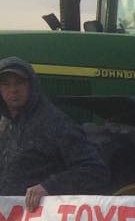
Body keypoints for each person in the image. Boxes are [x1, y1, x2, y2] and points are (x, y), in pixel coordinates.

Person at [0, 57, 111, 208]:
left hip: (43, 219)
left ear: (31, 85)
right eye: (5, 84)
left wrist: (49, 187)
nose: (13, 89)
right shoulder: (5, 122)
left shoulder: (55, 123)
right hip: (9, 218)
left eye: (19, 82)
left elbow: (95, 171)